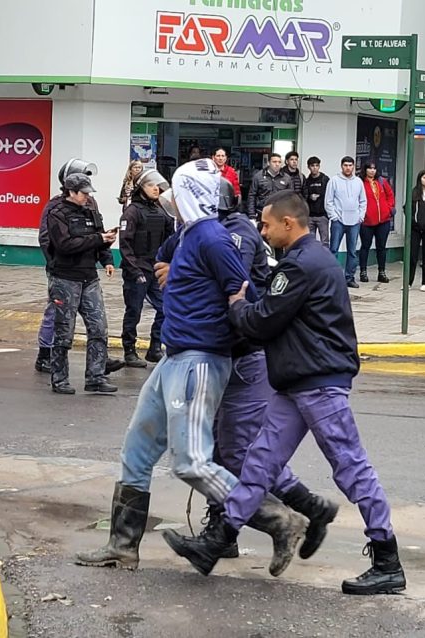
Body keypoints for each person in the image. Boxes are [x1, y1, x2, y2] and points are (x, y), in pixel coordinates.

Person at [163, 191, 406, 595]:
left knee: (352, 469)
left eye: (266, 224)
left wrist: (237, 304)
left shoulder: (300, 267)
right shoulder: (308, 260)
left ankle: (387, 559)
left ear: (288, 225)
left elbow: (261, 322)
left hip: (318, 382)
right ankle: (216, 542)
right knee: (259, 463)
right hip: (296, 381)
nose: (262, 231)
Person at [75, 160, 306, 577]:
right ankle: (122, 546)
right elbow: (170, 266)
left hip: (200, 359)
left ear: (189, 196)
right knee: (136, 451)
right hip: (174, 356)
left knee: (193, 462)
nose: (168, 199)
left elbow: (245, 293)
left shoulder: (213, 239)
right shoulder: (187, 233)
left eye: (174, 193)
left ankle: (281, 520)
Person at [153, 178, 339, 563]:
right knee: (225, 452)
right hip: (222, 354)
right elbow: (165, 252)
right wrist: (179, 263)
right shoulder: (199, 234)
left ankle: (299, 513)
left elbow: (232, 281)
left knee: (240, 454)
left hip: (245, 356)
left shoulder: (232, 234)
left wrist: (185, 268)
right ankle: (227, 535)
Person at [35, 159, 124, 376]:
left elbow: (99, 234)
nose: (87, 192)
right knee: (57, 317)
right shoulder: (55, 208)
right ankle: (45, 354)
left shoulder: (91, 204)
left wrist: (107, 259)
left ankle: (99, 363)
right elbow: (49, 240)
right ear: (70, 188)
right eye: (83, 184)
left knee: (97, 323)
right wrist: (55, 264)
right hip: (62, 271)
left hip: (87, 271)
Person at [119, 169, 175, 366]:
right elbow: (124, 244)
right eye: (151, 185)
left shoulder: (161, 211)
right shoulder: (132, 212)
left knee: (165, 308)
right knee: (134, 310)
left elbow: (171, 238)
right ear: (141, 187)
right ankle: (129, 350)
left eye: (157, 185)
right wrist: (134, 271)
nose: (156, 189)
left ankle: (154, 347)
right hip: (137, 269)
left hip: (155, 268)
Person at [325, 156, 366, 289]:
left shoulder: (358, 182)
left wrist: (360, 216)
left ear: (353, 166)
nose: (348, 168)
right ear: (341, 166)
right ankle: (333, 277)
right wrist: (334, 217)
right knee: (334, 249)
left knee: (352, 251)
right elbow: (328, 201)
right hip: (338, 221)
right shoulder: (334, 181)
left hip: (354, 221)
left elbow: (363, 201)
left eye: (350, 165)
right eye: (345, 165)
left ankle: (349, 277)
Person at [358, 162, 395, 284]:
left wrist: (389, 208)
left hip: (383, 220)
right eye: (369, 168)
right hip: (367, 221)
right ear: (365, 169)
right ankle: (363, 271)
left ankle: (381, 272)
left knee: (381, 247)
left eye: (374, 168)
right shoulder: (360, 182)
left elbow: (390, 195)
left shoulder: (382, 181)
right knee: (365, 246)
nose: (372, 171)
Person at [246, 153, 291, 220]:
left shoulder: (286, 178)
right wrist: (252, 215)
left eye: (279, 162)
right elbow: (252, 196)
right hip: (262, 214)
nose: (277, 164)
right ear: (268, 163)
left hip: (280, 215)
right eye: (274, 162)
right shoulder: (258, 177)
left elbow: (290, 197)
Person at [302, 156, 330, 245]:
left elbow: (330, 196)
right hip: (310, 216)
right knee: (310, 242)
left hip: (322, 216)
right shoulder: (306, 181)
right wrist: (310, 197)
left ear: (319, 166)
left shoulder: (325, 179)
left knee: (325, 242)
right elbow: (303, 196)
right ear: (308, 167)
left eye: (317, 165)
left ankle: (325, 259)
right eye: (312, 166)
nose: (315, 168)